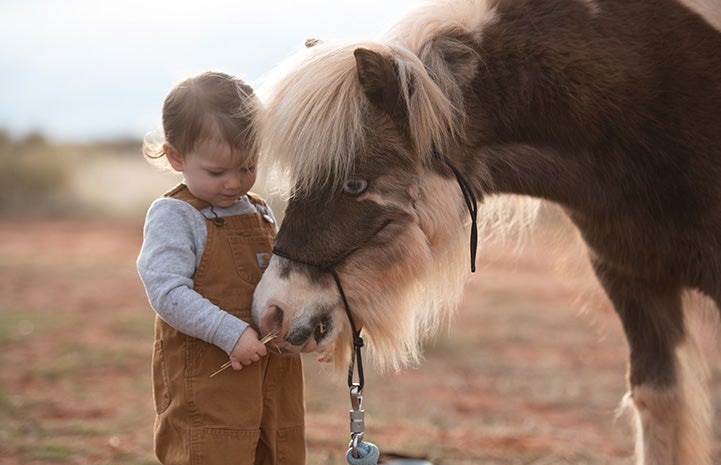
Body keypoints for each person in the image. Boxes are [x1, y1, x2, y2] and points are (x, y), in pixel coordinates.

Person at [137, 71, 305, 465]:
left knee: (280, 453)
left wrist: (308, 328)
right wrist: (228, 333)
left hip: (274, 388)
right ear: (176, 157)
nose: (234, 183)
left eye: (248, 168)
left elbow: (283, 285)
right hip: (209, 384)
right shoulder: (175, 215)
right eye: (217, 172)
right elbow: (166, 291)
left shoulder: (261, 211)